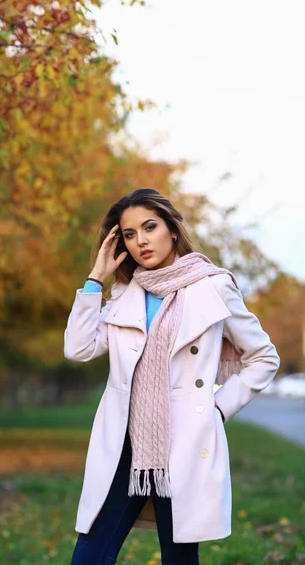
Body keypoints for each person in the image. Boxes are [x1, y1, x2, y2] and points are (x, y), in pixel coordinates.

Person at [64, 188, 280, 565]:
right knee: (89, 556)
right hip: (124, 448)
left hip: (183, 443)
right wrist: (95, 279)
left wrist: (216, 409)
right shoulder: (125, 294)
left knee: (178, 558)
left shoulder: (212, 286)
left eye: (150, 227)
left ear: (172, 230)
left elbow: (263, 357)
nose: (141, 241)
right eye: (129, 234)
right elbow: (78, 348)